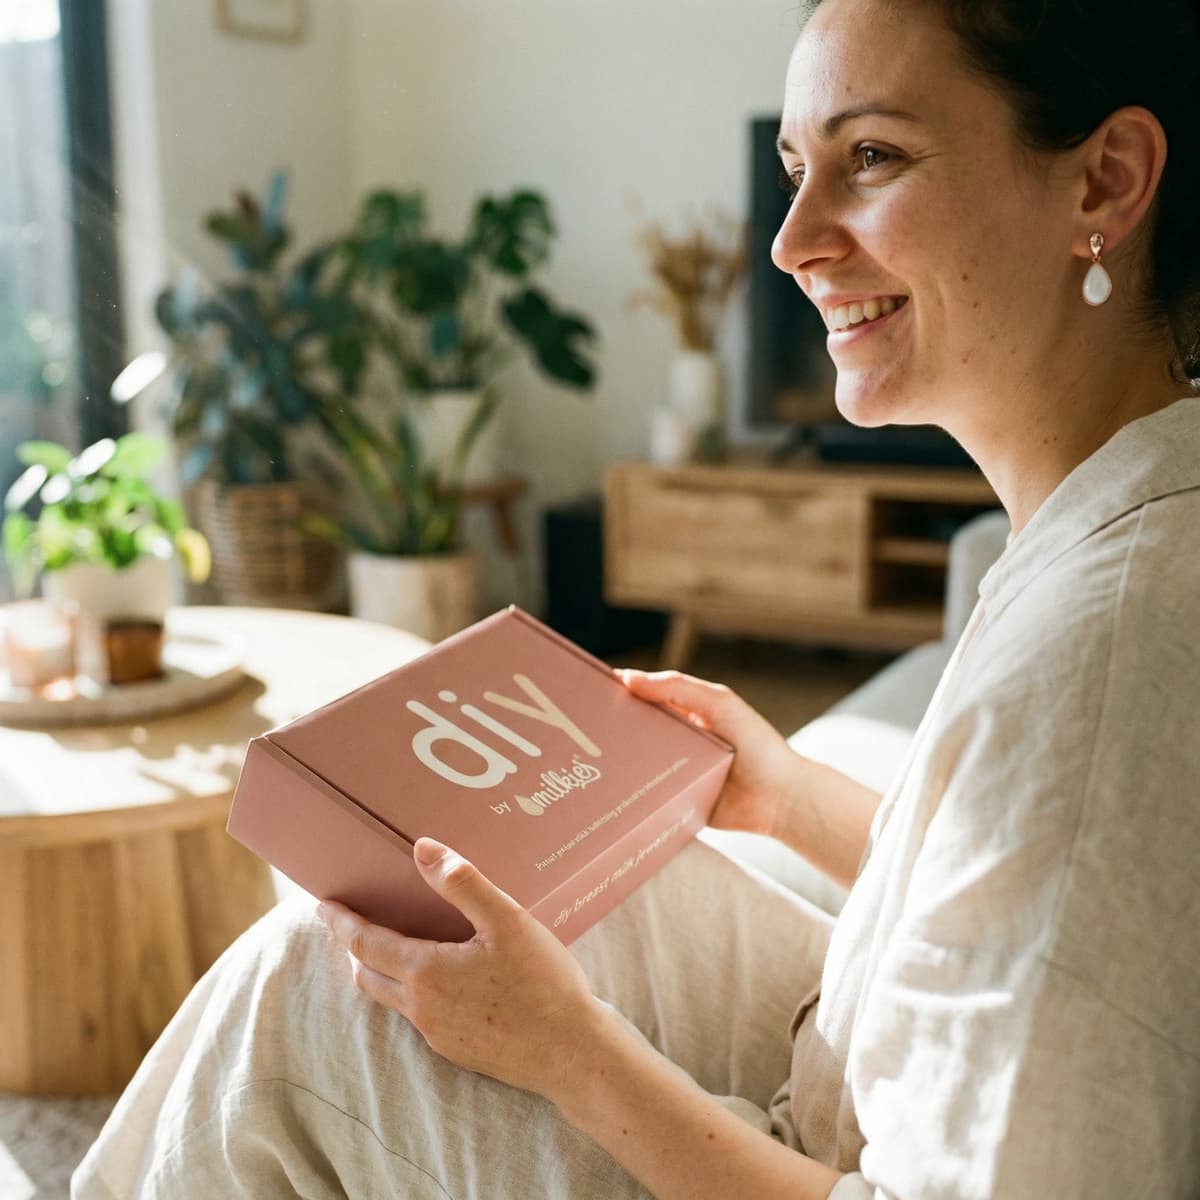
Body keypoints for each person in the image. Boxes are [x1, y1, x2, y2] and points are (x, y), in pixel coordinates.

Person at [74, 0, 1200, 1195]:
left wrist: (567, 1052)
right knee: (454, 907)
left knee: (317, 993)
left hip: (839, 1154)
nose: (791, 240)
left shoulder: (1105, 655)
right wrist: (793, 798)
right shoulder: (1114, 517)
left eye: (871, 158)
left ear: (1104, 182)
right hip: (852, 1060)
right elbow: (1049, 903)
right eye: (794, 169)